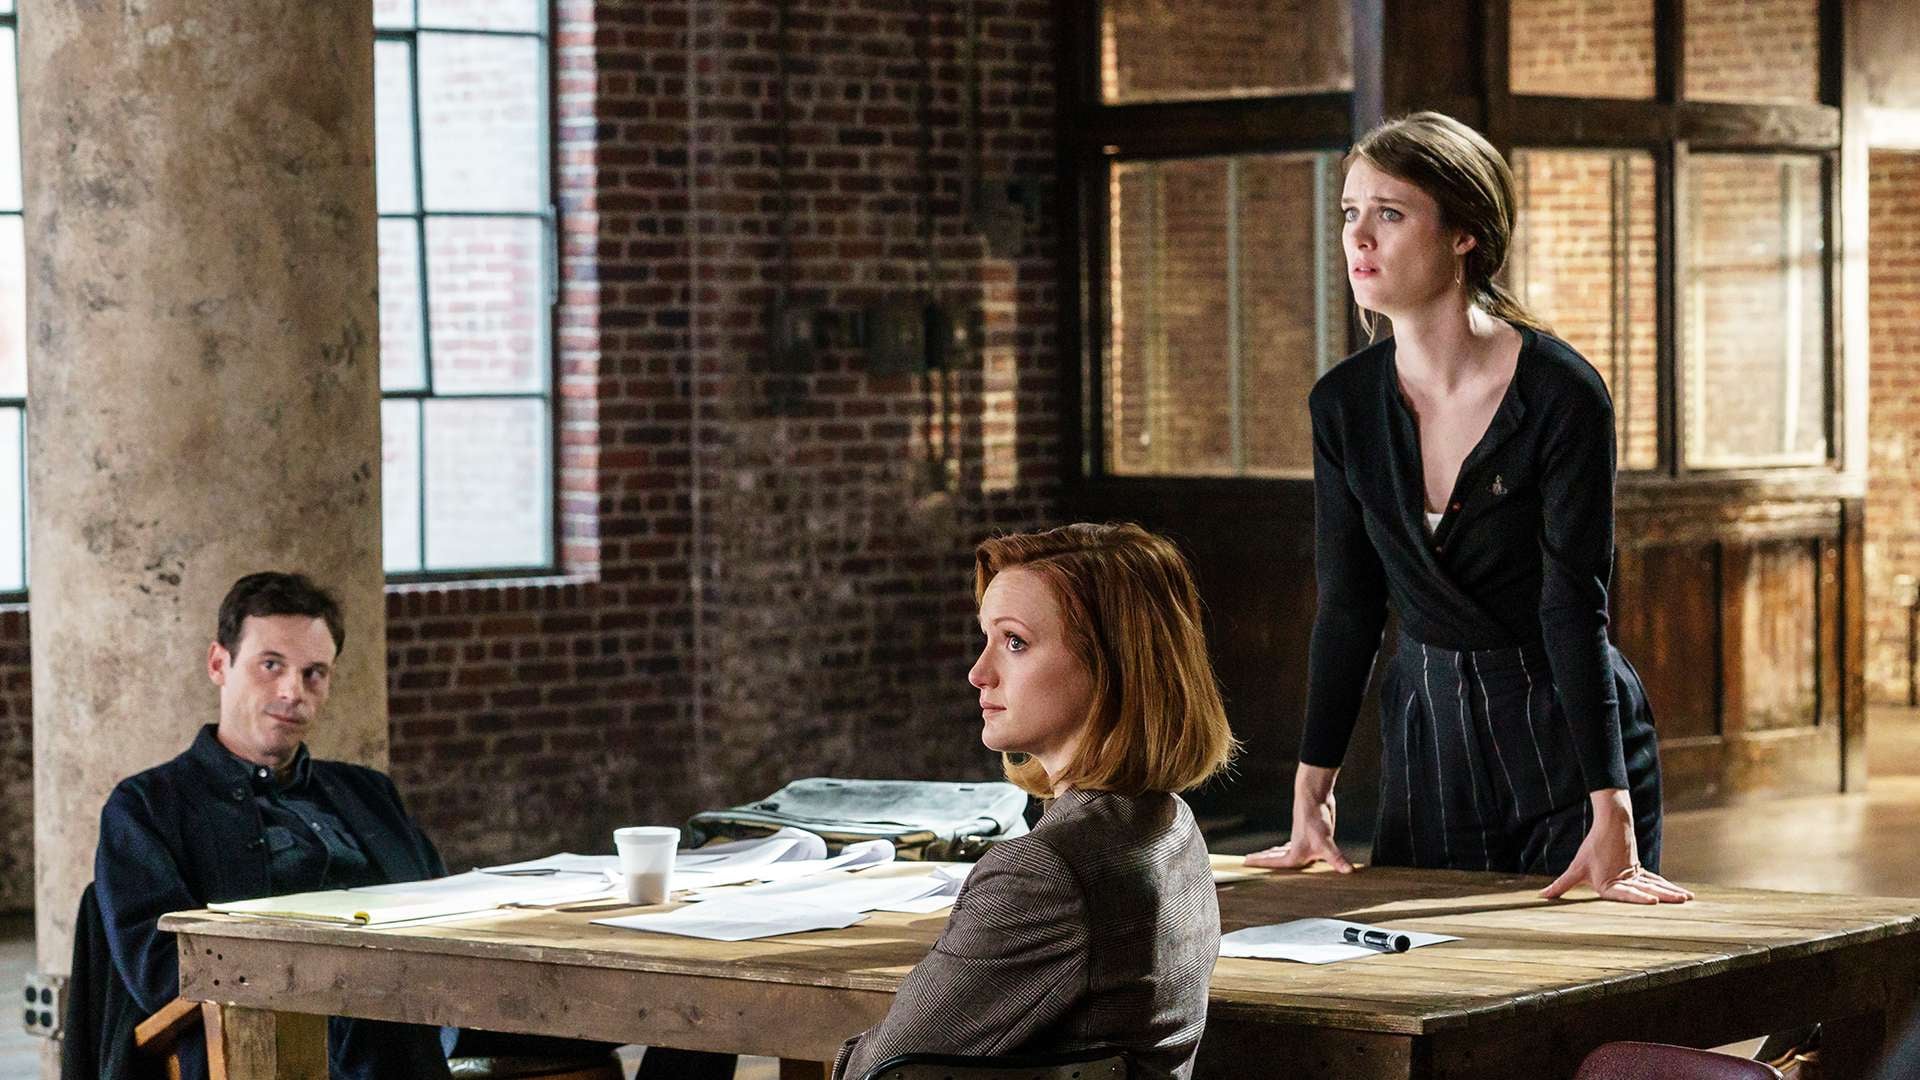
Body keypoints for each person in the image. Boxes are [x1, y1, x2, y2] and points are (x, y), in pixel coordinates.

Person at [1245, 113, 1692, 906]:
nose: (1359, 238)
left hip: (1567, 740)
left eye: (1390, 213)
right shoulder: (1343, 404)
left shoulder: (1562, 393)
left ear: (1465, 234)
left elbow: (1573, 606)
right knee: (1424, 961)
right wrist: (1312, 794)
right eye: (1350, 213)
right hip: (1430, 737)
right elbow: (1349, 606)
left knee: (1582, 962)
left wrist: (1612, 804)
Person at [87, 572, 733, 1080]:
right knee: (381, 999)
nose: (293, 692)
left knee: (703, 1002)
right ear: (218, 664)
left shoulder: (364, 792)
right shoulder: (148, 805)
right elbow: (157, 970)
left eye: (314, 673)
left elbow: (445, 910)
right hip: (281, 1026)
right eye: (271, 665)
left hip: (434, 1007)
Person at [833, 523, 1238, 1080]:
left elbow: (881, 1071)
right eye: (987, 638)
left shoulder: (1045, 873)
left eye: (1015, 642)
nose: (979, 673)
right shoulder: (1170, 823)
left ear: (1112, 664)